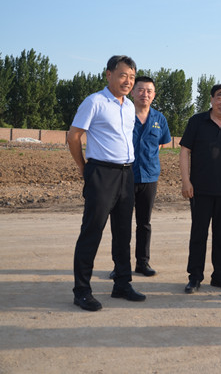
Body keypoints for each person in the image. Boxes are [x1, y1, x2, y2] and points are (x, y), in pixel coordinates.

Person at [67, 55, 146, 311]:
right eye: (123, 75)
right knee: (92, 231)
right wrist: (84, 167)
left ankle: (122, 284)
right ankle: (82, 291)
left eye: (132, 77)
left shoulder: (129, 106)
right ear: (108, 74)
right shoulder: (95, 102)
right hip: (101, 173)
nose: (128, 81)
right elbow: (74, 136)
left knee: (123, 233)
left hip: (126, 174)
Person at [179, 84, 221, 294]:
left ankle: (219, 276)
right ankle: (195, 277)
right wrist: (186, 181)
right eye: (219, 98)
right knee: (198, 235)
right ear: (211, 99)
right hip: (199, 190)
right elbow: (185, 151)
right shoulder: (197, 122)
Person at [108, 76, 172, 279]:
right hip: (124, 177)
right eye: (141, 90)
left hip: (149, 178)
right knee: (121, 224)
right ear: (133, 92)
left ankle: (142, 263)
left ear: (154, 95)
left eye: (149, 91)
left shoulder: (159, 119)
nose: (145, 94)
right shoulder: (122, 114)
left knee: (144, 223)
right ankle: (120, 266)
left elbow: (161, 144)